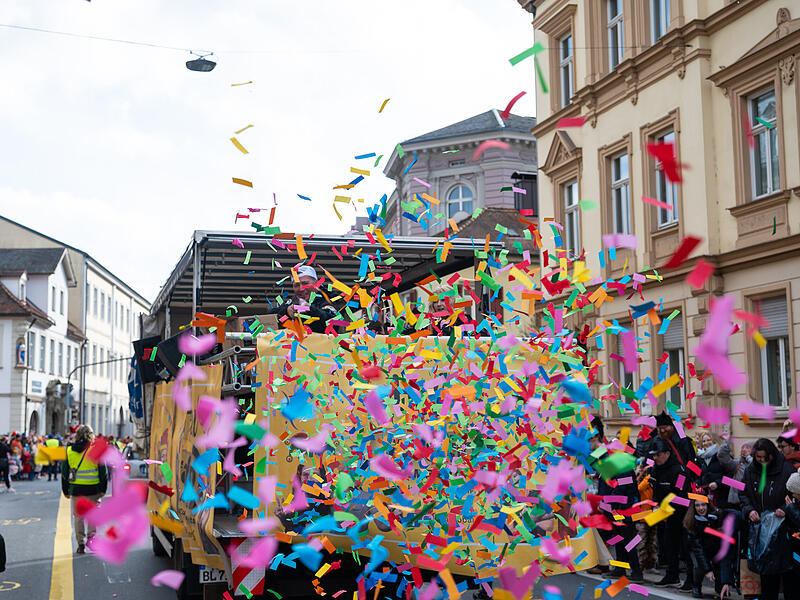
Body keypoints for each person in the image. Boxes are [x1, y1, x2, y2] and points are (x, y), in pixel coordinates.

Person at [586, 417, 643, 582]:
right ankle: (620, 569)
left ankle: (636, 572)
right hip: (615, 507)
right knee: (618, 538)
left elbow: (622, 487)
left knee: (628, 539)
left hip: (624, 508)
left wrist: (606, 502)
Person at [649, 439, 691, 588]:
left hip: (682, 514)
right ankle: (672, 576)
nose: (655, 458)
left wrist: (666, 508)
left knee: (686, 548)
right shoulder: (655, 469)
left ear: (667, 454)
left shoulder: (679, 471)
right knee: (668, 545)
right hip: (665, 515)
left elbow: (681, 496)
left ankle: (691, 580)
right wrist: (656, 506)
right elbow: (655, 490)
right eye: (653, 455)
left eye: (658, 455)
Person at [62, 424, 108, 554]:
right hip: (93, 489)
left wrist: (66, 490)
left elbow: (64, 473)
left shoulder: (69, 450)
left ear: (77, 435)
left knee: (78, 517)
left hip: (76, 490)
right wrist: (103, 489)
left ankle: (80, 544)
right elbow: (103, 472)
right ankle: (92, 540)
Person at [683, 500, 733, 599]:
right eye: (697, 506)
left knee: (719, 562)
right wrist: (707, 570)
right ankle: (696, 586)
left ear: (708, 505)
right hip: (697, 549)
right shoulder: (691, 522)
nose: (701, 508)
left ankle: (720, 586)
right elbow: (698, 550)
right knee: (699, 566)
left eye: (703, 505)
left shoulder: (717, 516)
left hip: (713, 546)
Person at [268, 265, 338, 334]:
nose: (301, 289)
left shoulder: (330, 298)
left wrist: (309, 311)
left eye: (305, 283)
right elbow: (269, 318)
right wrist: (287, 311)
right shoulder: (293, 302)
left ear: (316, 283)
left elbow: (334, 322)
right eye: (296, 285)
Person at [695, 431, 724, 504]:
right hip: (705, 497)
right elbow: (698, 476)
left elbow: (730, 477)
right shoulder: (700, 457)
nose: (706, 443)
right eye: (704, 441)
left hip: (721, 497)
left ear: (713, 441)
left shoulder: (721, 455)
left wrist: (717, 483)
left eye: (708, 440)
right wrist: (697, 484)